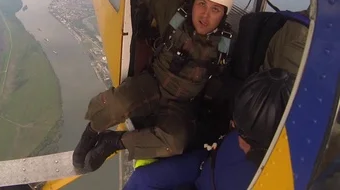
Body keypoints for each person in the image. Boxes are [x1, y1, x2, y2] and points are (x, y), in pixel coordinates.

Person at [72, 0, 235, 172]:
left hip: (181, 105)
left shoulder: (225, 45)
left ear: (224, 15)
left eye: (215, 9)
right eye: (201, 4)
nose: (205, 15)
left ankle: (114, 142)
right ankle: (91, 133)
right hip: (152, 83)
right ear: (193, 1)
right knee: (115, 103)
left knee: (175, 143)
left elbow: (224, 81)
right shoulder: (175, 12)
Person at [123, 67, 294, 190]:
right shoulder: (253, 125)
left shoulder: (278, 175)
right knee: (143, 180)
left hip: (210, 173)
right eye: (237, 128)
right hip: (205, 164)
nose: (238, 139)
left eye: (245, 137)